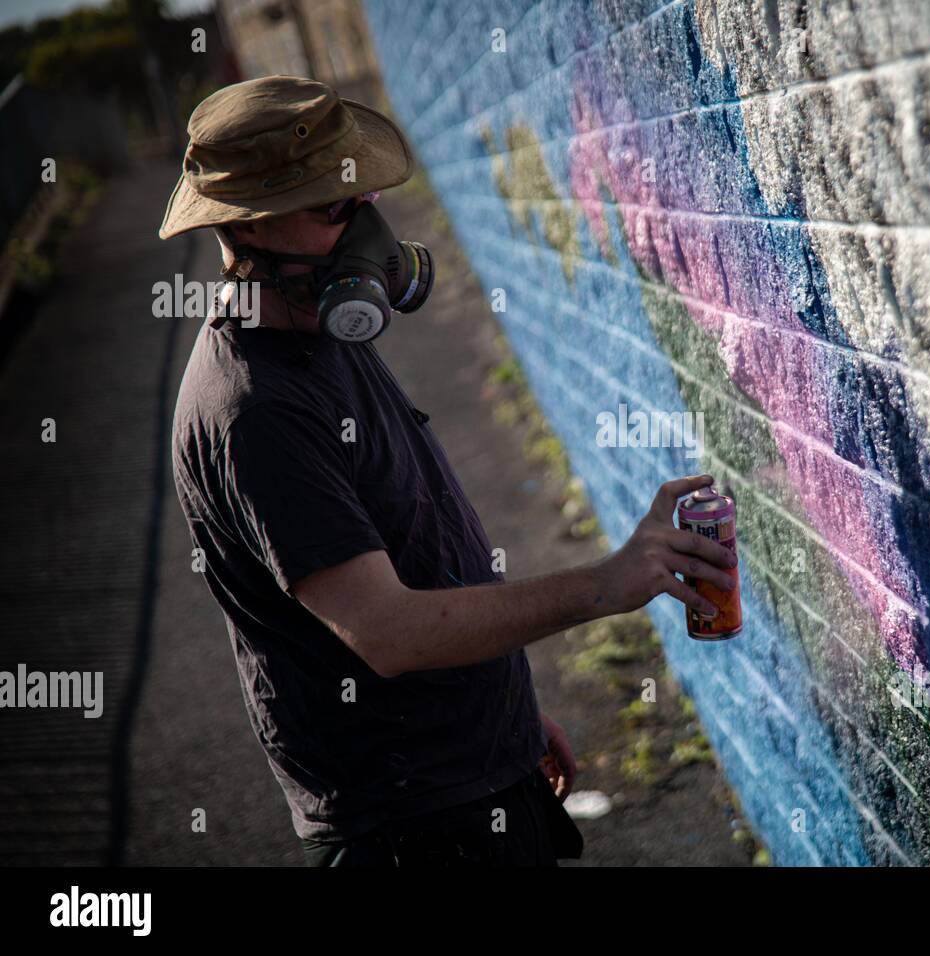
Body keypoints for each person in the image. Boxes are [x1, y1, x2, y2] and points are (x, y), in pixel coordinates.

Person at [158, 75, 736, 866]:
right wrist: (607, 584)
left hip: (472, 782)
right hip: (415, 833)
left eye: (363, 198)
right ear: (248, 229)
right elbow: (389, 633)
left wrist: (506, 720)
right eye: (335, 208)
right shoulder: (256, 412)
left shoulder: (318, 332)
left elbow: (416, 548)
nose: (370, 227)